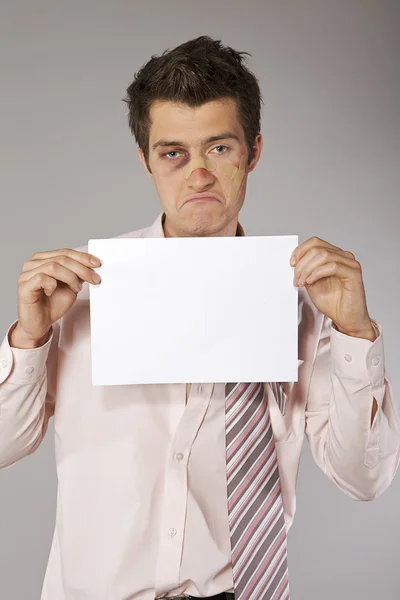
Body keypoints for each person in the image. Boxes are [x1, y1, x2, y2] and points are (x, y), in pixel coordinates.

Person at [0, 35, 399, 600]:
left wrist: (356, 333)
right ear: (146, 161)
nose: (199, 175)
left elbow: (365, 478)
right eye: (173, 153)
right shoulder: (79, 295)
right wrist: (29, 338)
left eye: (219, 148)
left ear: (253, 152)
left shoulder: (305, 304)